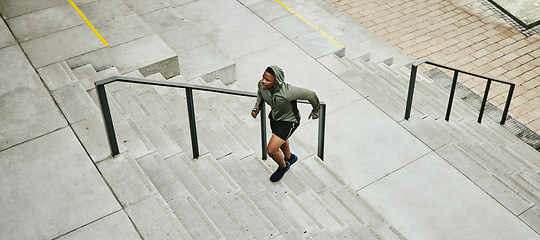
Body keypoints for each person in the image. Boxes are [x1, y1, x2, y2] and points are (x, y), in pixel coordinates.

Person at [251, 65, 320, 182]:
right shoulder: (262, 85)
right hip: (274, 118)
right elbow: (260, 92)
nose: (263, 81)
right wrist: (257, 107)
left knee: (271, 150)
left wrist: (316, 111)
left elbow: (311, 95)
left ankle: (283, 166)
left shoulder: (288, 92)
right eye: (263, 77)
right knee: (281, 141)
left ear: (276, 80)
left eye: (267, 79)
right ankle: (290, 157)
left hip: (289, 121)